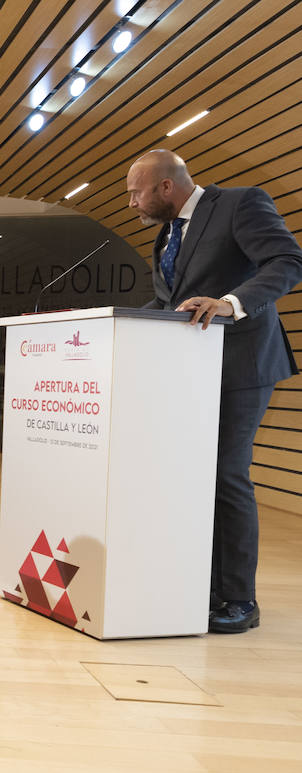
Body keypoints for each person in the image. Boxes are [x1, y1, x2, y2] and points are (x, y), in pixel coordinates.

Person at [126, 149, 302, 634]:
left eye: (136, 192)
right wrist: (113, 320)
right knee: (195, 477)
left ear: (165, 186)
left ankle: (240, 598)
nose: (131, 203)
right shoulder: (168, 232)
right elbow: (170, 301)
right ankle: (203, 586)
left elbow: (288, 260)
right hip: (192, 370)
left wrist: (229, 303)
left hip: (243, 364)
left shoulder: (240, 204)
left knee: (226, 474)